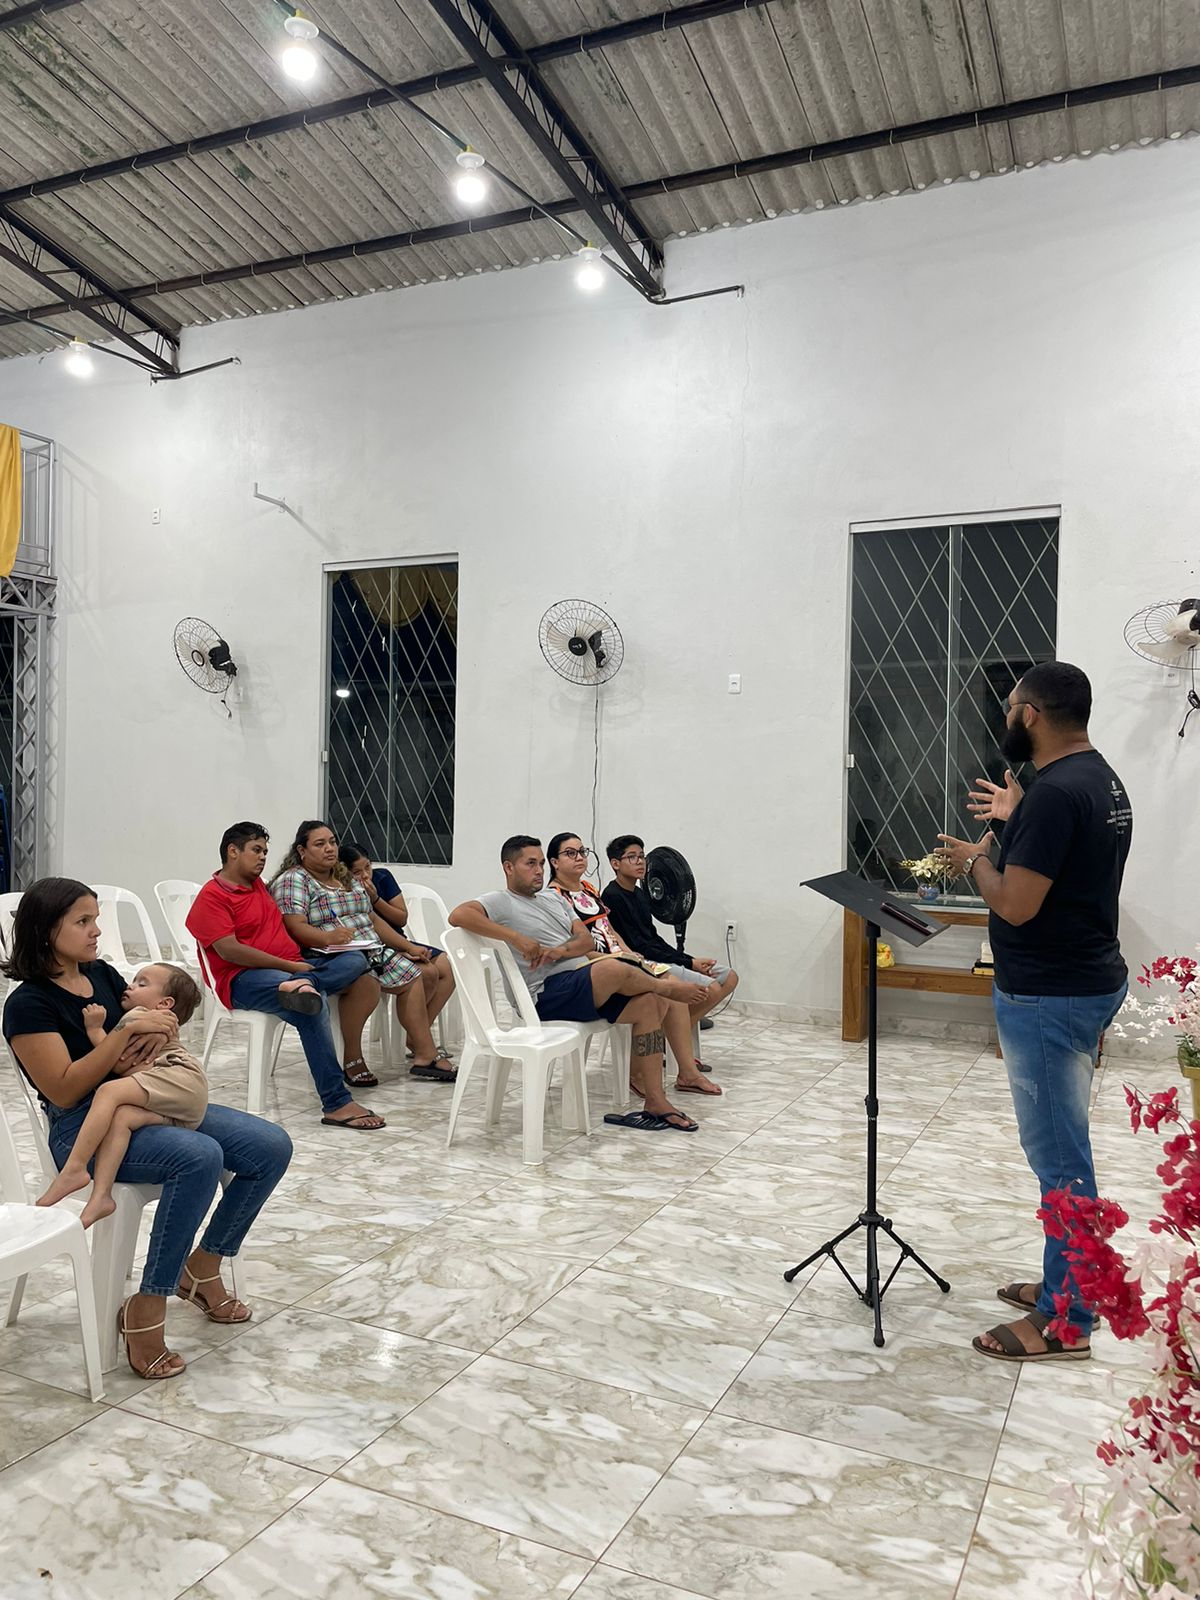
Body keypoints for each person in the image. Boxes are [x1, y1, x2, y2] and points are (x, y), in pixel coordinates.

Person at [3, 879, 293, 1380]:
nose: (97, 931)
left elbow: (146, 1032)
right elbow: (66, 1090)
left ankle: (203, 1266)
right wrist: (123, 1035)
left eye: (96, 919)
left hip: (143, 1092)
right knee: (198, 1156)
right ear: (47, 929)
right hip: (82, 1127)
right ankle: (148, 1303)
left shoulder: (102, 975)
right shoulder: (29, 1004)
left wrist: (156, 1033)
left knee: (270, 1146)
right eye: (83, 921)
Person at [935, 661, 1133, 1364]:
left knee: (1059, 1158)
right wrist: (1018, 818)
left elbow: (1016, 903)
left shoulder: (1054, 794)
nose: (1005, 717)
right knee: (1061, 1148)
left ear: (1031, 714)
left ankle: (1067, 1319)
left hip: (1051, 993)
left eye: (1010, 707)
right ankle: (1063, 1285)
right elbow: (1071, 862)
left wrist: (974, 861)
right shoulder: (1097, 778)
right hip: (1086, 977)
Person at [448, 836, 712, 1132]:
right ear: (509, 867)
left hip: (580, 980)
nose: (539, 870)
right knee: (615, 968)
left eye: (540, 863)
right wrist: (516, 938)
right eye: (530, 864)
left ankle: (656, 1100)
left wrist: (559, 951)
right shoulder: (501, 901)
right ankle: (664, 987)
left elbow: (585, 940)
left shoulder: (553, 899)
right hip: (546, 993)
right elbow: (458, 915)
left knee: (650, 1004)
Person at [186, 821, 386, 1131]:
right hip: (243, 979)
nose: (263, 857)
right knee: (312, 1004)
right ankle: (336, 1103)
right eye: (256, 850)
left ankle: (306, 985)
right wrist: (291, 968)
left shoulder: (258, 887)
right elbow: (230, 951)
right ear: (233, 851)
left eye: (265, 851)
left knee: (355, 961)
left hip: (291, 970)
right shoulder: (212, 896)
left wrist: (301, 967)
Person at [271, 820, 452, 1084]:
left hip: (369, 949)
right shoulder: (294, 880)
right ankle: (352, 1057)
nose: (329, 848)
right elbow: (294, 926)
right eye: (320, 844)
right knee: (366, 983)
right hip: (327, 955)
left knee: (415, 974)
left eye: (332, 842)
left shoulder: (342, 875)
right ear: (302, 850)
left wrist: (407, 946)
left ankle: (425, 1054)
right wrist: (328, 936)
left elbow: (372, 919)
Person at [546, 831, 720, 1096]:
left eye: (582, 851)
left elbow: (610, 931)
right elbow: (574, 948)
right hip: (596, 968)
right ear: (554, 862)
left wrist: (631, 955)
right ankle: (639, 1072)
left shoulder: (588, 889)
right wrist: (617, 961)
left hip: (620, 959)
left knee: (673, 992)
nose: (579, 857)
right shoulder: (554, 897)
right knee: (666, 990)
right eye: (570, 853)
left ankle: (687, 1073)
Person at [37, 962, 207, 1228]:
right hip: (183, 1101)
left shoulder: (139, 1016)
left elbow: (119, 1063)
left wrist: (95, 1030)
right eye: (134, 980)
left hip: (179, 1077)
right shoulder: (155, 1019)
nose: (130, 986)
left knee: (108, 1091)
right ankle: (101, 1197)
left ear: (165, 1003)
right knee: (122, 1117)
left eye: (142, 983)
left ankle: (75, 1167)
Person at [338, 842, 456, 1062]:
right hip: (377, 946)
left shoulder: (383, 878)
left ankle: (418, 1034)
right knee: (428, 972)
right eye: (357, 872)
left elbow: (401, 918)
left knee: (448, 966)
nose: (365, 875)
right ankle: (421, 1041)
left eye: (367, 867)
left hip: (399, 940)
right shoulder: (344, 890)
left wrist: (376, 899)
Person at [601, 835, 739, 1021]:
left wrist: (690, 960)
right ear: (615, 864)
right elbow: (640, 946)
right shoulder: (612, 896)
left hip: (660, 956)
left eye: (642, 856)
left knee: (730, 977)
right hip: (644, 963)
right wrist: (690, 964)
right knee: (711, 988)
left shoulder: (640, 894)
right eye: (632, 857)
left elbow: (653, 938)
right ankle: (679, 1030)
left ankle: (680, 1027)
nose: (640, 862)